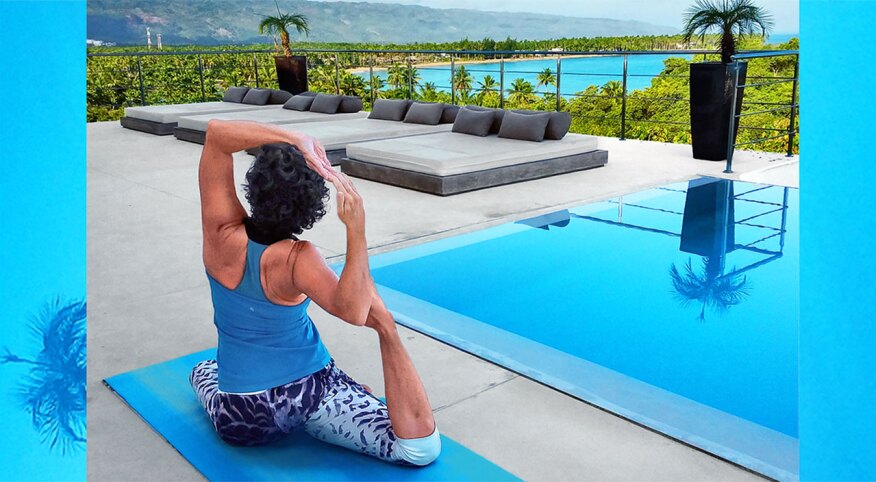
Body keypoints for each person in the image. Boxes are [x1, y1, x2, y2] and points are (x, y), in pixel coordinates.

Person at [188, 119, 440, 466]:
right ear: (311, 207)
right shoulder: (298, 258)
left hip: (237, 417)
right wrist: (357, 231)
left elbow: (217, 134)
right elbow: (354, 311)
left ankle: (338, 389)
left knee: (202, 369)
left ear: (255, 186)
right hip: (303, 395)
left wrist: (295, 138)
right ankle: (362, 365)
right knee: (420, 450)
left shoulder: (218, 231)